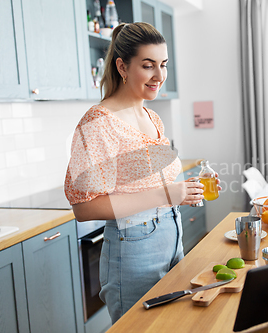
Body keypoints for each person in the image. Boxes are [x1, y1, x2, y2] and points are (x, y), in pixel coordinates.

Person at [64, 22, 219, 324]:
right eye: (148, 66)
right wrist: (167, 194)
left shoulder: (152, 116)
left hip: (172, 238)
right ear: (122, 66)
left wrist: (183, 190)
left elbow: (140, 181)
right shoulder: (98, 123)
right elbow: (83, 208)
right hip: (133, 250)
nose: (159, 76)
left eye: (163, 65)